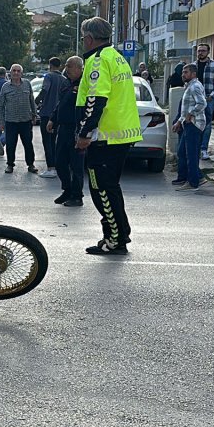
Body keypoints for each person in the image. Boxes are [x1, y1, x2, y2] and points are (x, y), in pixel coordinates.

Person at [75, 17, 142, 255]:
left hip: (105, 136)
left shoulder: (98, 60)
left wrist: (84, 133)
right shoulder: (117, 57)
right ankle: (119, 233)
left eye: (84, 37)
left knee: (101, 188)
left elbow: (95, 100)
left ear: (90, 38)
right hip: (119, 134)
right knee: (110, 187)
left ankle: (114, 238)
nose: (83, 41)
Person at [48, 55, 85, 206]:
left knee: (76, 165)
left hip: (76, 129)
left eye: (69, 66)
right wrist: (53, 119)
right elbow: (61, 104)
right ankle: (67, 190)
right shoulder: (67, 83)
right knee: (60, 162)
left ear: (78, 68)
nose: (66, 69)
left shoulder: (85, 84)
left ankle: (77, 196)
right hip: (63, 128)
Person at [0, 63, 39, 174]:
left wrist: (34, 115)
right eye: (14, 70)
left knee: (28, 144)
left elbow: (31, 101)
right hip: (11, 121)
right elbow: (0, 106)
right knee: (10, 144)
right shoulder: (5, 87)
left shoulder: (27, 84)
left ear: (21, 73)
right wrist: (0, 121)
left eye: (18, 71)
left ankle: (31, 164)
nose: (16, 73)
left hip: (26, 121)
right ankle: (10, 165)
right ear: (10, 73)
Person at [172, 63, 208, 191]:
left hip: (194, 124)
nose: (183, 75)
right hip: (187, 123)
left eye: (186, 72)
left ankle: (193, 183)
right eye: (182, 72)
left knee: (191, 154)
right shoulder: (189, 86)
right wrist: (179, 121)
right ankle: (197, 177)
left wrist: (191, 114)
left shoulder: (195, 87)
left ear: (193, 74)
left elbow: (202, 103)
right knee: (182, 152)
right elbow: (185, 109)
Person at [35, 56, 69, 178]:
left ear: (50, 65)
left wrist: (37, 101)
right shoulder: (64, 79)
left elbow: (45, 90)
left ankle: (51, 167)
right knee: (55, 140)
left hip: (46, 113)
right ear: (59, 66)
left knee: (47, 141)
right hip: (59, 114)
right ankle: (57, 165)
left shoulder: (48, 77)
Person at [194, 43, 214, 160]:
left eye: (203, 51)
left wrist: (212, 95)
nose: (201, 53)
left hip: (208, 98)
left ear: (208, 52)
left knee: (207, 124)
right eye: (199, 51)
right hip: (195, 99)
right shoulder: (193, 66)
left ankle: (204, 149)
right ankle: (195, 147)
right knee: (194, 122)